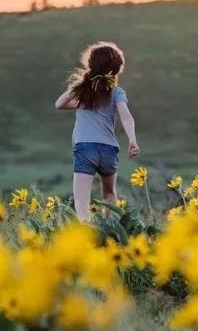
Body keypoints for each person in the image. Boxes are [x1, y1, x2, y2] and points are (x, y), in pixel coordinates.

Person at [54, 41, 139, 222]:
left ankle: (87, 235)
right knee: (109, 194)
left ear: (90, 65)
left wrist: (81, 87)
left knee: (81, 200)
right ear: (116, 70)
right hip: (109, 150)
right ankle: (109, 230)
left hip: (86, 148)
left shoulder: (84, 89)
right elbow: (126, 116)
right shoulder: (116, 92)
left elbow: (59, 104)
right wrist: (132, 140)